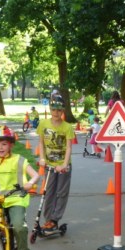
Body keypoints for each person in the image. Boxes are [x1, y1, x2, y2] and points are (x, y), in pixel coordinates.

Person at [36, 94, 75, 231]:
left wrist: (64, 164)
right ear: (50, 109)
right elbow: (41, 143)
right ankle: (48, 219)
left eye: (59, 110)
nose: (56, 112)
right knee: (48, 192)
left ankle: (54, 219)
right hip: (49, 165)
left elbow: (69, 147)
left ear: (63, 110)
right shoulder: (43, 124)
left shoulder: (67, 127)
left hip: (63, 165)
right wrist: (42, 158)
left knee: (61, 193)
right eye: (53, 109)